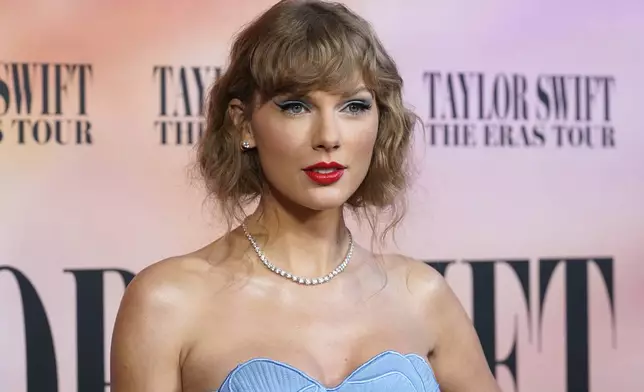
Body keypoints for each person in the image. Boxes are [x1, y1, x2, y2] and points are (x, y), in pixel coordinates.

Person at [110, 0, 501, 391]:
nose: (328, 137)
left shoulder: (422, 296)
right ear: (243, 124)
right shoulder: (167, 303)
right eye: (297, 106)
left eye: (354, 106)